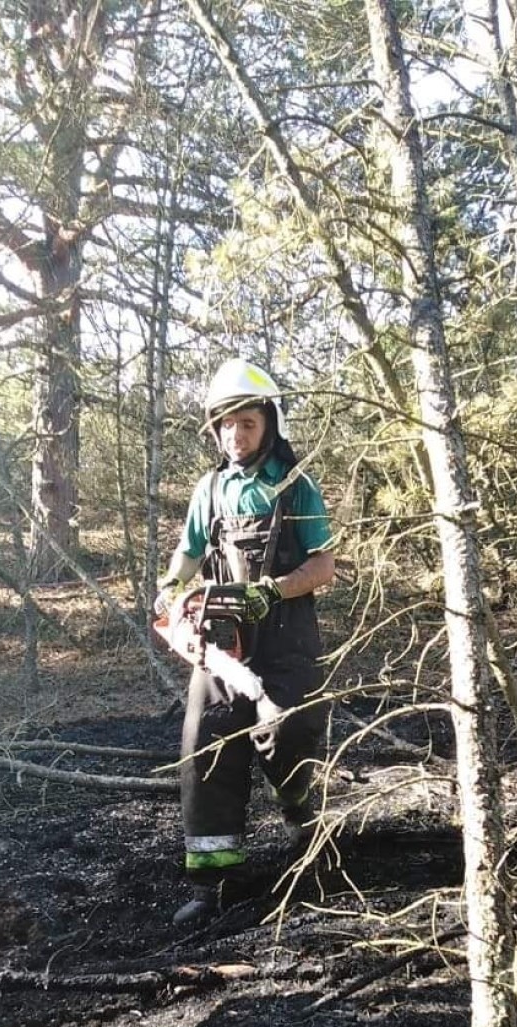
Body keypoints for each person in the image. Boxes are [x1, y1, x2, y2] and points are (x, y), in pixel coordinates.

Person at [156, 357, 335, 927]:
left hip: (286, 634)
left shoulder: (296, 485)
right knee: (204, 744)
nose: (236, 434)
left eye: (248, 423)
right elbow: (187, 552)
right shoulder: (209, 488)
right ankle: (213, 880)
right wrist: (170, 585)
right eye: (226, 424)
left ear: (269, 423)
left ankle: (300, 818)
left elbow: (324, 565)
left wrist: (272, 592)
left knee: (291, 728)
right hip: (220, 640)